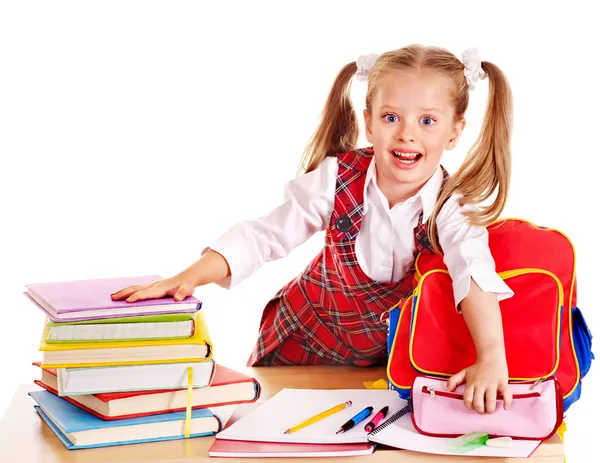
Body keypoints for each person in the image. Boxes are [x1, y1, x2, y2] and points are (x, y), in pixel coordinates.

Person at [112, 44, 515, 414]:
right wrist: (188, 278)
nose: (407, 133)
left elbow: (472, 270)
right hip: (301, 342)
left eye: (428, 120)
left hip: (377, 361)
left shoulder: (451, 207)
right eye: (391, 117)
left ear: (454, 132)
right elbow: (265, 235)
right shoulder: (335, 179)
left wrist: (492, 356)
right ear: (370, 123)